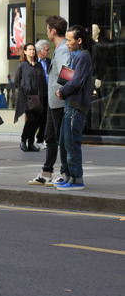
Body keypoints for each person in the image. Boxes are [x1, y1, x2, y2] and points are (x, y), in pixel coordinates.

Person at [28, 16, 70, 186]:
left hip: (59, 102)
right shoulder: (59, 48)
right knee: (50, 137)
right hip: (54, 102)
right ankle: (47, 172)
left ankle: (64, 173)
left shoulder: (62, 50)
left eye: (47, 30)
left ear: (53, 31)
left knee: (61, 139)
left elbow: (67, 72)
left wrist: (63, 90)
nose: (47, 33)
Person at [55, 25, 93, 191]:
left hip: (76, 106)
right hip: (70, 104)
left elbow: (76, 82)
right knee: (64, 142)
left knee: (71, 143)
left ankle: (77, 179)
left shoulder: (83, 57)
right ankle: (69, 176)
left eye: (70, 40)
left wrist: (62, 91)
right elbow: (70, 78)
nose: (67, 43)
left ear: (79, 41)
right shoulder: (75, 55)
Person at [13, 43, 47, 152]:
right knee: (31, 119)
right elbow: (16, 82)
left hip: (38, 97)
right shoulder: (22, 66)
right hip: (27, 98)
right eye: (29, 49)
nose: (32, 51)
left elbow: (42, 81)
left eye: (33, 49)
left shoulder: (38, 65)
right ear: (25, 52)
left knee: (37, 120)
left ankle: (31, 143)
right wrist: (23, 90)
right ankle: (23, 140)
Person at [34, 39, 51, 146]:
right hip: (37, 94)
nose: (48, 51)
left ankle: (41, 138)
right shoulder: (34, 63)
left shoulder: (49, 62)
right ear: (40, 51)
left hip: (48, 93)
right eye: (47, 49)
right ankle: (29, 138)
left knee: (46, 117)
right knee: (36, 117)